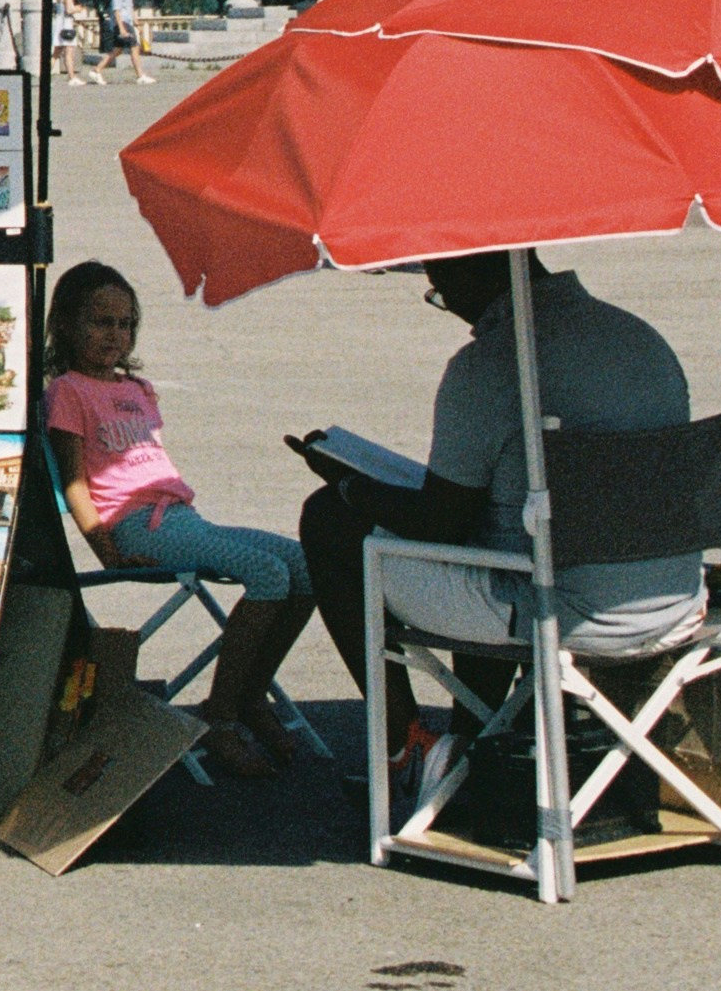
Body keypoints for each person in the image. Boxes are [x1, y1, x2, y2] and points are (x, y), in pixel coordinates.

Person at [298, 252, 700, 785]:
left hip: (565, 609)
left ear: (473, 275)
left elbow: (441, 522)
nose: (452, 309)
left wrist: (351, 486)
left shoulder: (492, 362)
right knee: (500, 535)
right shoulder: (641, 340)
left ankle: (405, 747)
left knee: (328, 520)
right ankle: (473, 736)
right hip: (670, 597)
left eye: (442, 291)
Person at [46, 262, 313, 778]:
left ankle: (251, 694)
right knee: (266, 574)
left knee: (304, 564)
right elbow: (76, 482)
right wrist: (108, 550)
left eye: (125, 324)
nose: (115, 335)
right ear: (67, 325)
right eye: (100, 322)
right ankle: (221, 714)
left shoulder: (139, 389)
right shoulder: (69, 391)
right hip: (135, 525)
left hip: (181, 518)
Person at [109, 0, 156, 85]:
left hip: (128, 21)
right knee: (134, 47)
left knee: (117, 50)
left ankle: (97, 70)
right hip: (122, 22)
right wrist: (121, 28)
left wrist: (136, 22)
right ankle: (140, 76)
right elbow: (116, 10)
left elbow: (130, 7)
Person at [52, 0, 84, 84]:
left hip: (59, 24)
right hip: (66, 25)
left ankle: (44, 76)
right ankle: (72, 77)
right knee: (69, 53)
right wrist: (78, 9)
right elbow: (69, 10)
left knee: (56, 54)